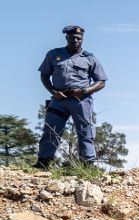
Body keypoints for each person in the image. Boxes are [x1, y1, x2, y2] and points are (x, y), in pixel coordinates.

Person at [34, 25, 108, 168]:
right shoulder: (53, 54)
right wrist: (53, 92)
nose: (76, 40)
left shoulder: (90, 58)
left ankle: (88, 164)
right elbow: (44, 75)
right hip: (58, 99)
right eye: (72, 37)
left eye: (79, 38)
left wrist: (85, 91)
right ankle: (43, 163)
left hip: (80, 100)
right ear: (66, 38)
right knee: (51, 130)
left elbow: (101, 82)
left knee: (85, 131)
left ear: (82, 39)